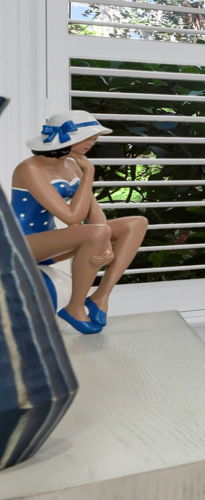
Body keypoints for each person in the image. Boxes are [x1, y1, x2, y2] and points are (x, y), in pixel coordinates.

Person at [10, 110, 148, 335]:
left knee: (136, 223)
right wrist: (89, 173)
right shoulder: (29, 168)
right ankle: (74, 307)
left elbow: (94, 213)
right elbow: (72, 218)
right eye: (88, 138)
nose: (92, 143)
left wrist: (104, 243)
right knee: (95, 234)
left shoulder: (72, 165)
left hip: (46, 244)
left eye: (94, 138)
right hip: (18, 246)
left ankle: (100, 296)